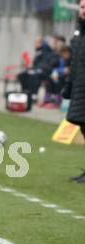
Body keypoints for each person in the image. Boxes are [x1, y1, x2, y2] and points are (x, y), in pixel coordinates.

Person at [63, 0, 85, 184]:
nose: (83, 10)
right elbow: (74, 65)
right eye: (82, 7)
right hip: (80, 91)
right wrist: (68, 89)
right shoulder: (79, 33)